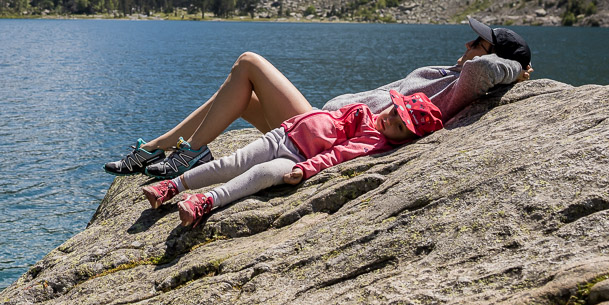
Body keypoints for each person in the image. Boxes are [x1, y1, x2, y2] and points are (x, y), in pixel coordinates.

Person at [105, 16, 532, 179]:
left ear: (493, 57)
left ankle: (188, 154)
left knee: (249, 62)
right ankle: (161, 148)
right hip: (322, 123)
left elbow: (485, 70)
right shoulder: (451, 72)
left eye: (479, 41)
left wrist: (518, 68)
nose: (469, 43)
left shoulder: (466, 82)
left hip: (327, 134)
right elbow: (477, 63)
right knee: (236, 92)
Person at [141, 90, 444, 227]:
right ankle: (173, 185)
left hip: (297, 157)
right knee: (232, 163)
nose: (391, 122)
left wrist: (304, 168)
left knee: (263, 175)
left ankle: (206, 201)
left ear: (407, 138)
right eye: (394, 114)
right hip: (282, 136)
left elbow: (338, 155)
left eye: (401, 128)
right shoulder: (364, 111)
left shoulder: (374, 141)